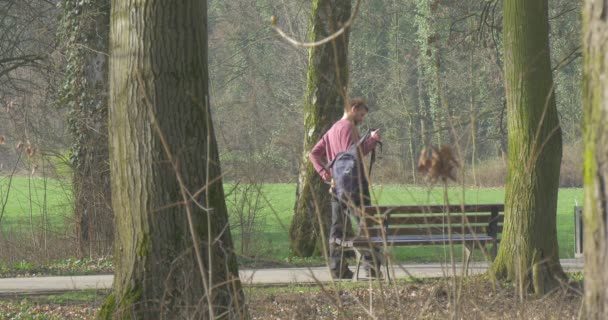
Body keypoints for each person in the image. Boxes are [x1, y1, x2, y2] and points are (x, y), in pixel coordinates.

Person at [309, 97, 382, 279]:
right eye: (361, 114)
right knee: (365, 224)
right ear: (352, 108)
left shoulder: (332, 130)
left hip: (336, 187)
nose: (362, 118)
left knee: (337, 229)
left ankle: (337, 269)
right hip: (354, 186)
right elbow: (355, 154)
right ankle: (371, 268)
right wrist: (372, 140)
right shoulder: (350, 128)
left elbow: (313, 154)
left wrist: (324, 173)